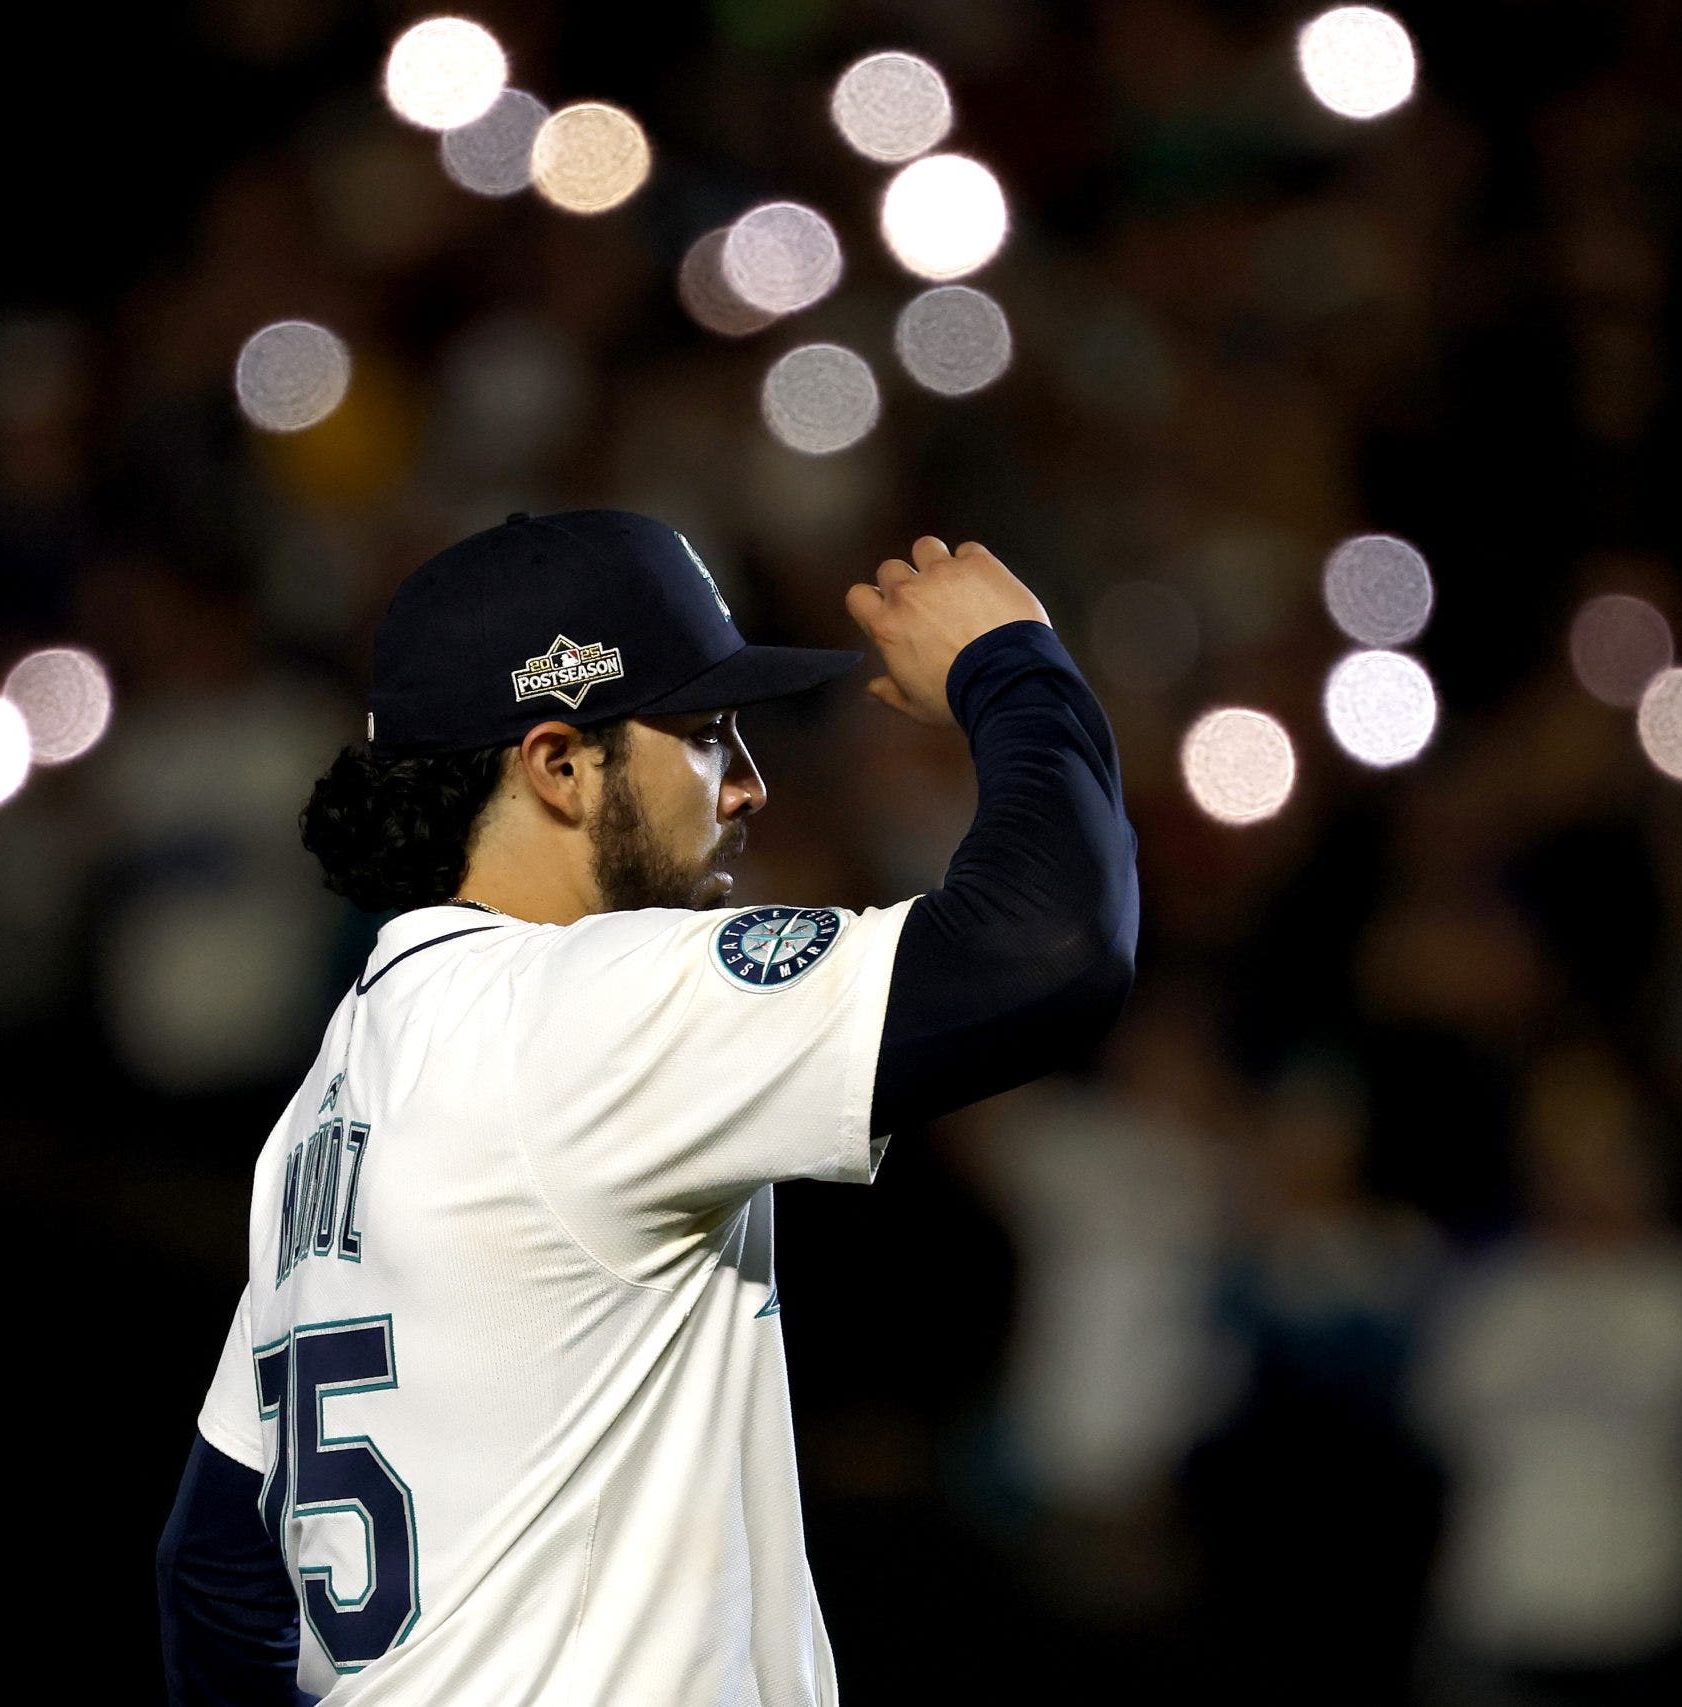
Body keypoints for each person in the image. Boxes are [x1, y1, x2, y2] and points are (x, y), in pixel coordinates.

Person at [155, 511, 1139, 1703]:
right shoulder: (579, 1007)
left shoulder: (327, 1103)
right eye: (707, 734)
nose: (750, 786)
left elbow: (219, 1572)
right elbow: (1050, 949)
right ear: (559, 766)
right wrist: (1012, 664)